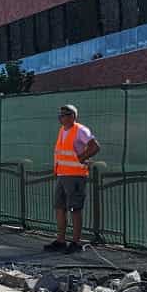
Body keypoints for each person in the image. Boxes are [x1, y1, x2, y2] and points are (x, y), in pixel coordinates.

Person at [48, 103, 99, 254]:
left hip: (75, 175)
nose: (61, 117)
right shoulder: (62, 131)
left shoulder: (80, 130)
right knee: (60, 208)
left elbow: (95, 146)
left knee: (75, 209)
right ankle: (61, 240)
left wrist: (81, 158)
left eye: (65, 114)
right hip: (63, 175)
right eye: (61, 114)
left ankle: (76, 242)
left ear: (73, 116)